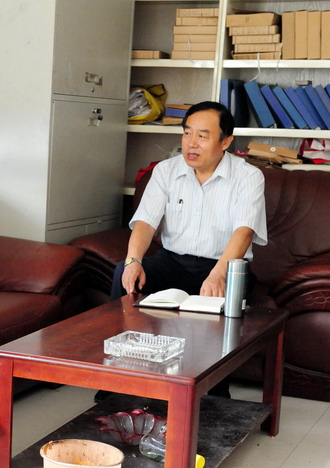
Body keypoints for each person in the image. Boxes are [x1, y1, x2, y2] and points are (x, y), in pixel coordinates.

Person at [111, 101, 267, 397]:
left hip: (225, 266)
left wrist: (219, 274)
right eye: (187, 133)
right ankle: (120, 380)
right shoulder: (165, 171)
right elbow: (145, 222)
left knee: (224, 294)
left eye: (203, 136)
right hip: (173, 261)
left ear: (226, 142)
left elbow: (244, 231)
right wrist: (133, 260)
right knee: (124, 273)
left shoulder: (248, 177)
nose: (191, 143)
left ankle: (216, 392)